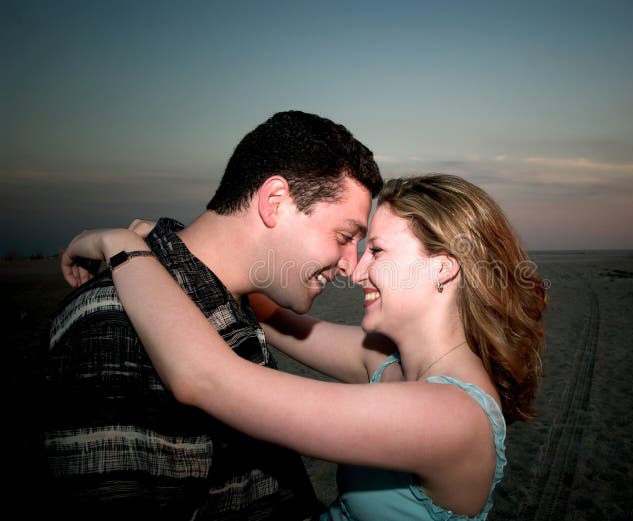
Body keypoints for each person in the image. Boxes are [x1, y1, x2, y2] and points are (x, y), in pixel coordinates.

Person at [61, 174, 547, 520]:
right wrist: (170, 245)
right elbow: (277, 319)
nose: (355, 272)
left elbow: (204, 379)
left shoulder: (449, 417)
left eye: (376, 251)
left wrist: (120, 247)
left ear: (444, 268)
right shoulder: (386, 362)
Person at [41, 110, 383, 520]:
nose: (351, 264)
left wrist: (136, 246)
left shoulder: (232, 301)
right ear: (274, 202)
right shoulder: (114, 323)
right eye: (345, 237)